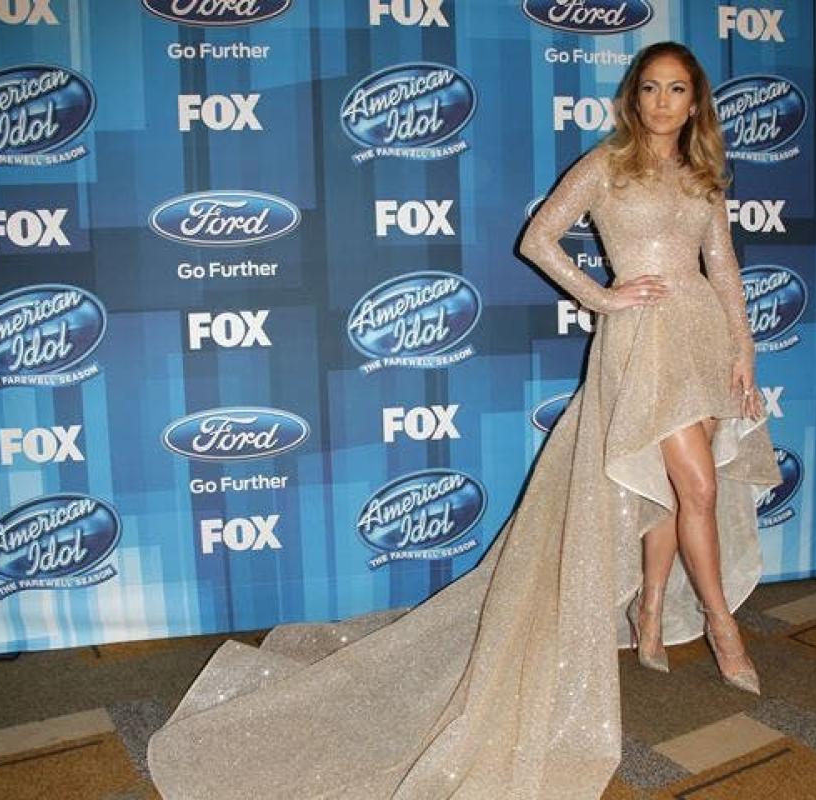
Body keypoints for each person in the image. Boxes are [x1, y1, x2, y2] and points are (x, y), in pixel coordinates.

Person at [147, 41, 782, 800]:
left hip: (699, 336)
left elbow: (724, 267)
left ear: (694, 101)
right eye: (650, 87)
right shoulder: (606, 166)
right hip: (639, 341)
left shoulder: (703, 177)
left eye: (676, 89)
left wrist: (743, 353)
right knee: (697, 487)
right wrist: (604, 297)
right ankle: (721, 626)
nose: (661, 102)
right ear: (633, 95)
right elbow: (538, 238)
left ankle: (648, 612)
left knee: (669, 487)